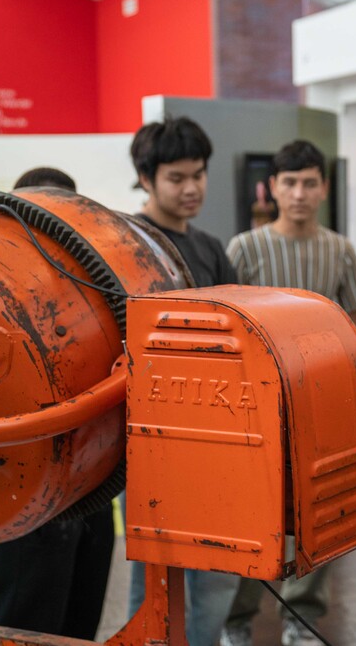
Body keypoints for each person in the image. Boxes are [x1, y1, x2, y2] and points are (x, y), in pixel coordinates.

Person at [221, 139, 356, 646]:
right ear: (274, 189)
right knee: (251, 514)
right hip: (256, 408)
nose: (300, 194)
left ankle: (302, 618)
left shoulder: (339, 249)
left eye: (310, 183)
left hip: (319, 406)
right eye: (290, 183)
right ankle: (237, 619)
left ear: (324, 188)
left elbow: (352, 327)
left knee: (319, 510)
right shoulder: (245, 248)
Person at [0, 167, 115, 639]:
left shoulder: (94, 284)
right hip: (25, 484)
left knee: (81, 620)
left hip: (90, 485)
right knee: (24, 620)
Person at [127, 116, 241, 646]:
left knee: (218, 577)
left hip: (215, 437)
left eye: (199, 174)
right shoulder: (122, 246)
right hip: (150, 443)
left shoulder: (213, 249)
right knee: (151, 581)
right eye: (177, 177)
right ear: (146, 178)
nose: (192, 187)